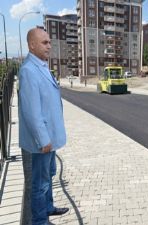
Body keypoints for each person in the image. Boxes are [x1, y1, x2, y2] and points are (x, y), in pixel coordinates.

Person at [19, 27, 69, 225]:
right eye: (44, 42)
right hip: (43, 140)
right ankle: (40, 221)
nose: (49, 46)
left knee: (49, 174)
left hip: (50, 136)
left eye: (49, 42)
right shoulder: (28, 71)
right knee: (40, 184)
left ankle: (48, 207)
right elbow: (31, 112)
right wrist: (43, 140)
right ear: (32, 45)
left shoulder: (40, 65)